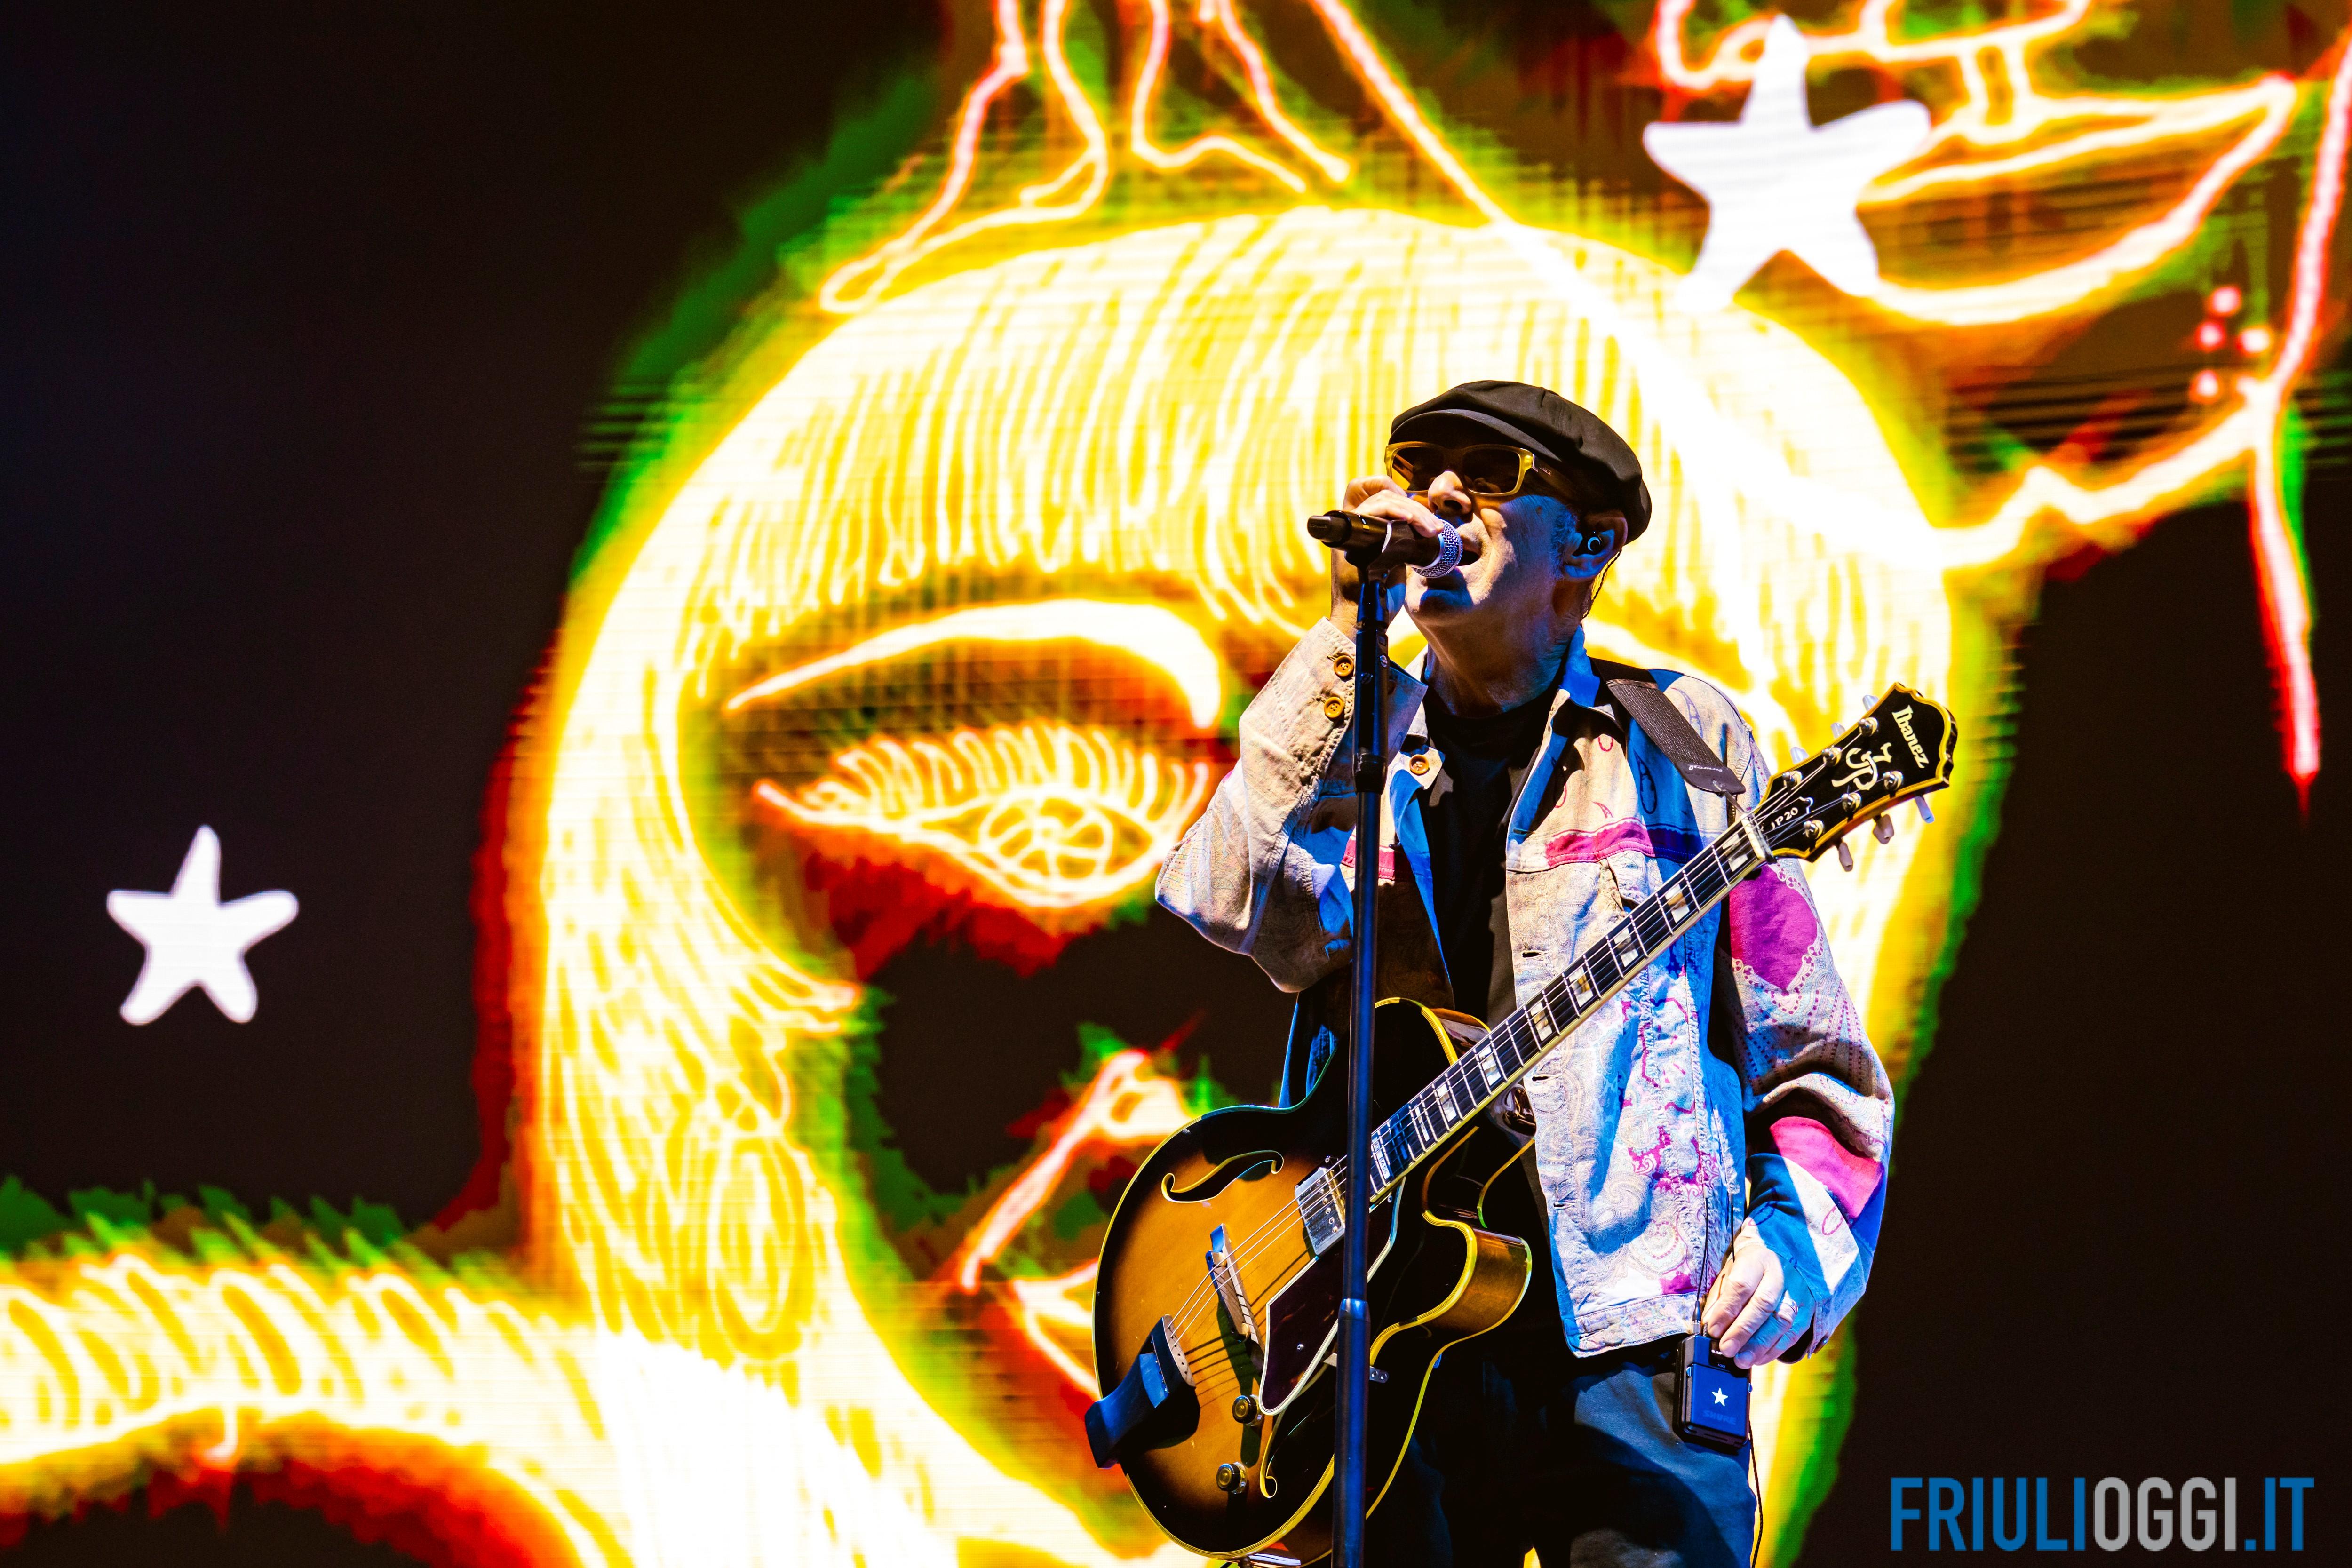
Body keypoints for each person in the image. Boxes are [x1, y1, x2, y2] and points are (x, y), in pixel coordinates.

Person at [1154, 381, 1894, 1567]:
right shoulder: (1358, 742)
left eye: (1488, 474)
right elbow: (1224, 895)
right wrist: (1343, 639)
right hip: (1385, 1336)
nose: (1439, 494)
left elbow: (1815, 1057)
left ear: (1586, 545)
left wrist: (1794, 1247)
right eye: (1419, 467)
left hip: (1633, 1333)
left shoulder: (1686, 744)